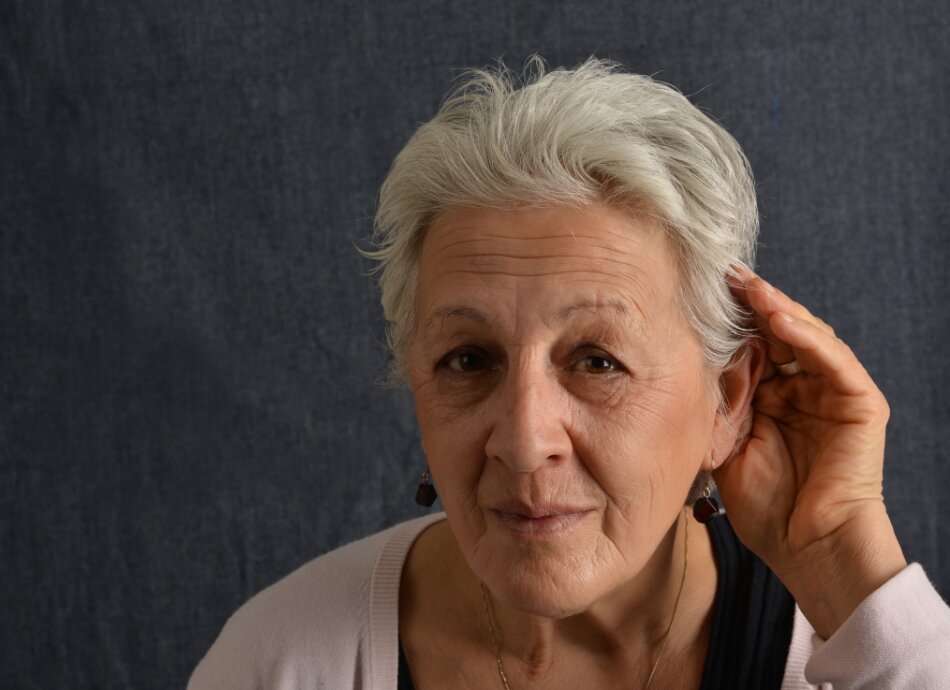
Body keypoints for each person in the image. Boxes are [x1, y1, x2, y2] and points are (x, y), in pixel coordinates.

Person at [188, 58, 950, 689]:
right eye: (468, 360)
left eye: (597, 361)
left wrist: (844, 568)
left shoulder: (846, 656)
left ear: (725, 398)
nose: (524, 443)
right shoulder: (284, 661)